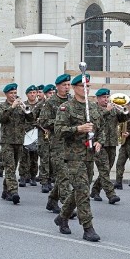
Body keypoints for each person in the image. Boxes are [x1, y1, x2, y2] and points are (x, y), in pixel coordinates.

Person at [53, 72, 104, 242]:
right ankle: (88, 227)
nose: (86, 89)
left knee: (80, 190)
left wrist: (99, 142)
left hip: (90, 155)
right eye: (83, 86)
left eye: (88, 86)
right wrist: (78, 129)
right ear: (75, 88)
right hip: (73, 156)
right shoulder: (66, 107)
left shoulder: (95, 108)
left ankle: (62, 217)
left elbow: (102, 129)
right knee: (83, 190)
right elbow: (58, 130)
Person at [0, 83, 35, 205]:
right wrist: (11, 107)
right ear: (6, 94)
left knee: (13, 166)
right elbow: (1, 119)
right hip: (7, 141)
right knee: (10, 167)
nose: (13, 95)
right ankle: (13, 191)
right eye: (11, 93)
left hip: (19, 141)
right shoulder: (3, 107)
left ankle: (5, 190)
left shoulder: (21, 106)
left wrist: (26, 110)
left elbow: (31, 119)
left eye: (15, 93)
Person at [41, 75, 72, 213]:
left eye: (68, 85)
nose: (67, 87)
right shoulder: (51, 102)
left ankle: (52, 200)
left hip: (72, 144)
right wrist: (60, 123)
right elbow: (43, 121)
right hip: (57, 143)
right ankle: (67, 207)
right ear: (57, 86)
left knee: (64, 176)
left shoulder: (73, 101)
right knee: (64, 175)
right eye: (64, 85)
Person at [90, 88, 126, 203]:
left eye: (107, 97)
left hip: (112, 142)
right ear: (98, 98)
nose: (106, 100)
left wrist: (124, 111)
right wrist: (107, 110)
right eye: (103, 97)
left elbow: (123, 119)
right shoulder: (93, 109)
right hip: (99, 143)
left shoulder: (113, 109)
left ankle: (95, 190)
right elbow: (95, 120)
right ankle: (111, 194)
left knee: (107, 169)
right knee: (104, 169)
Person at [37, 83, 56, 193]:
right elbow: (32, 117)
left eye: (53, 93)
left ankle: (51, 179)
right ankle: (44, 181)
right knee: (45, 158)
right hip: (43, 136)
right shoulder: (41, 105)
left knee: (52, 159)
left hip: (54, 136)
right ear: (45, 94)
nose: (52, 95)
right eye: (50, 93)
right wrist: (42, 126)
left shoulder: (56, 104)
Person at [22, 85, 42, 185]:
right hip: (25, 132)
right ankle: (24, 176)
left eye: (34, 93)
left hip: (36, 132)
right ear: (27, 95)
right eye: (30, 93)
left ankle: (33, 176)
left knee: (34, 156)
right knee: (24, 156)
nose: (33, 94)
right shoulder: (23, 105)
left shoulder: (40, 105)